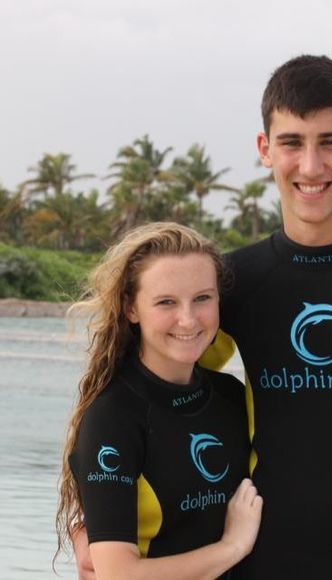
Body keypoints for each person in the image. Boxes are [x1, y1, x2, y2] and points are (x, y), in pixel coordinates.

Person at [74, 55, 332, 579]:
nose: (310, 166)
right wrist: (92, 520)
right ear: (265, 149)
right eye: (292, 142)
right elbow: (138, 398)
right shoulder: (232, 283)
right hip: (254, 563)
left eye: (330, 142)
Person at [56, 222, 263, 579]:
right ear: (131, 308)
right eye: (166, 302)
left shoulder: (231, 396)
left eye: (202, 298)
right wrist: (232, 546)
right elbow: (117, 574)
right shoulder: (114, 417)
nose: (188, 319)